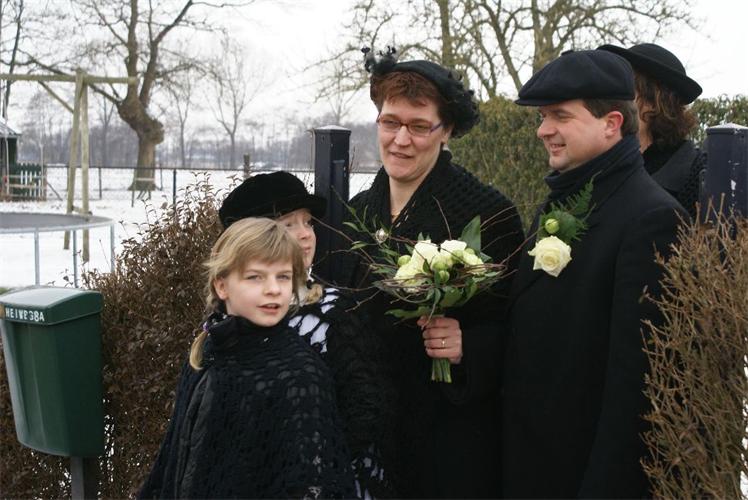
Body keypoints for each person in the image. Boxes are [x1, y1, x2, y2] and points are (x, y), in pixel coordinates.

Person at [336, 47, 525, 498]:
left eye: (419, 126)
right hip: (365, 436)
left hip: (446, 444)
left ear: (448, 130)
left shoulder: (488, 213)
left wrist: (467, 347)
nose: (400, 139)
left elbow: (518, 330)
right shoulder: (355, 211)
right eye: (390, 122)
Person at [502, 49, 686, 498]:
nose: (543, 130)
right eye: (543, 117)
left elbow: (636, 391)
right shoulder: (563, 199)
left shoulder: (652, 219)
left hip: (579, 476)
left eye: (560, 116)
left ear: (612, 123)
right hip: (530, 467)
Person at [138, 217, 355, 498]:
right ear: (222, 286)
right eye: (255, 277)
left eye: (283, 276)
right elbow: (176, 457)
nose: (273, 289)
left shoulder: (299, 375)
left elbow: (313, 484)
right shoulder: (207, 352)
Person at [218, 171, 391, 498]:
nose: (305, 234)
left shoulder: (335, 312)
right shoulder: (221, 324)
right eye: (288, 224)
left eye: (308, 223)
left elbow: (365, 409)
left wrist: (306, 472)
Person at [599, 43, 705, 219]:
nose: (606, 102)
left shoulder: (696, 177)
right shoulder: (597, 167)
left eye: (622, 91)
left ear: (655, 102)